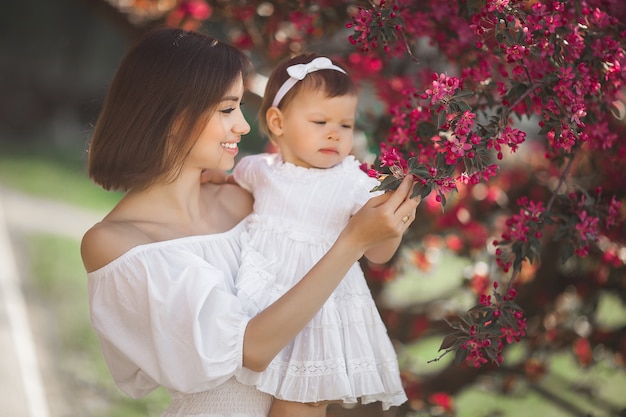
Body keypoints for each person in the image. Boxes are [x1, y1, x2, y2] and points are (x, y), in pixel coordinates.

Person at [80, 27, 420, 417]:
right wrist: (351, 244)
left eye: (240, 107)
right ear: (172, 115)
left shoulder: (249, 200)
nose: (243, 125)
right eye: (227, 109)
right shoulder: (115, 244)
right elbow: (252, 350)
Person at [231, 53, 414, 416]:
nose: (335, 133)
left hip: (319, 313)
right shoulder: (257, 169)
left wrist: (393, 225)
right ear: (277, 122)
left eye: (346, 125)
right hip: (260, 304)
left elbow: (377, 253)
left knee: (302, 401)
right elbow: (223, 182)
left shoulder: (353, 183)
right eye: (320, 121)